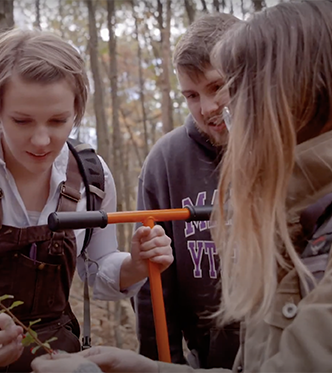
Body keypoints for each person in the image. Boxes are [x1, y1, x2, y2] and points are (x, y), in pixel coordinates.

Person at [30, 0, 332, 372]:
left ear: (295, 95)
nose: (220, 112)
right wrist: (149, 368)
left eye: (235, 90)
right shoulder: (302, 202)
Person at [0, 27, 173, 373]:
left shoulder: (92, 176)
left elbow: (99, 268)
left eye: (58, 121)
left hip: (53, 361)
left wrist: (134, 265)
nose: (42, 140)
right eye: (22, 120)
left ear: (77, 111)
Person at [133, 12, 241, 369]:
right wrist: (162, 361)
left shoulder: (285, 148)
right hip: (202, 355)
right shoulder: (167, 160)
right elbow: (153, 282)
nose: (207, 108)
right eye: (192, 95)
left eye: (217, 87)